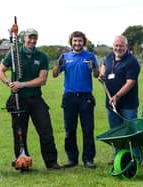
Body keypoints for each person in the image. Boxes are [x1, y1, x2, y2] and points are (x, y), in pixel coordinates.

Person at [0, 28, 62, 170]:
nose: (32, 41)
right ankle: (22, 162)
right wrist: (9, 83)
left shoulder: (42, 56)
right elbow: (0, 71)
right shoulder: (14, 54)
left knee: (46, 130)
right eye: (29, 38)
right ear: (24, 38)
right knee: (19, 132)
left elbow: (42, 79)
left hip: (36, 99)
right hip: (18, 99)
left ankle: (51, 162)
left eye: (35, 38)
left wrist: (22, 84)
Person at [52, 31, 99, 169]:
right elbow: (55, 74)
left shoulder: (90, 56)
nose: (77, 43)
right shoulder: (65, 57)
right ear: (71, 42)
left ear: (83, 42)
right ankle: (72, 159)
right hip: (69, 97)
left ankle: (88, 159)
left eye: (80, 41)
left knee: (88, 129)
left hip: (86, 97)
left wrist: (94, 67)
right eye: (75, 41)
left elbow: (97, 75)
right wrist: (58, 64)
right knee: (69, 130)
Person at [99, 35, 141, 164]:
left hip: (128, 105)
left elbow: (130, 83)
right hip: (111, 105)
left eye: (121, 45)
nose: (118, 48)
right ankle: (118, 157)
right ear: (113, 46)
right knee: (116, 132)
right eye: (116, 45)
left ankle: (136, 158)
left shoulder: (132, 62)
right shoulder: (110, 56)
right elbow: (104, 64)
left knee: (131, 132)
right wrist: (102, 73)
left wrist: (117, 96)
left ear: (126, 46)